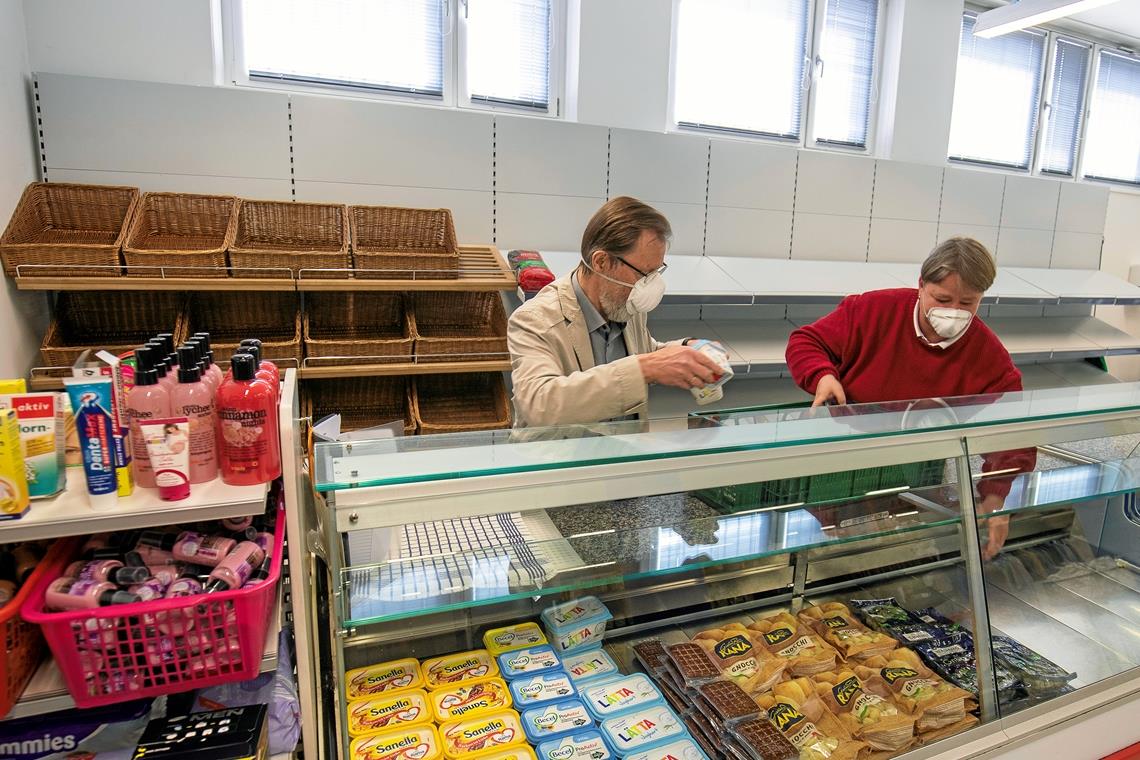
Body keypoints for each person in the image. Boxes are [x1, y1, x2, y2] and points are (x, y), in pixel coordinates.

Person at [785, 237, 1037, 559]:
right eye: (942, 299)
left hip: (918, 483)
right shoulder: (872, 310)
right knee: (824, 558)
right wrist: (823, 374)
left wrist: (995, 498)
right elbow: (806, 341)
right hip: (840, 468)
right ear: (921, 285)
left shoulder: (989, 357)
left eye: (967, 304)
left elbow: (1012, 433)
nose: (953, 313)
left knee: (897, 557)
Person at [508, 196, 725, 428]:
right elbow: (539, 405)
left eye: (656, 272)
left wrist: (685, 348)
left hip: (621, 454)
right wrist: (645, 369)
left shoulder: (626, 303)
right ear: (601, 262)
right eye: (644, 274)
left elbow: (640, 351)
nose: (650, 286)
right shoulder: (534, 320)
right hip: (564, 461)